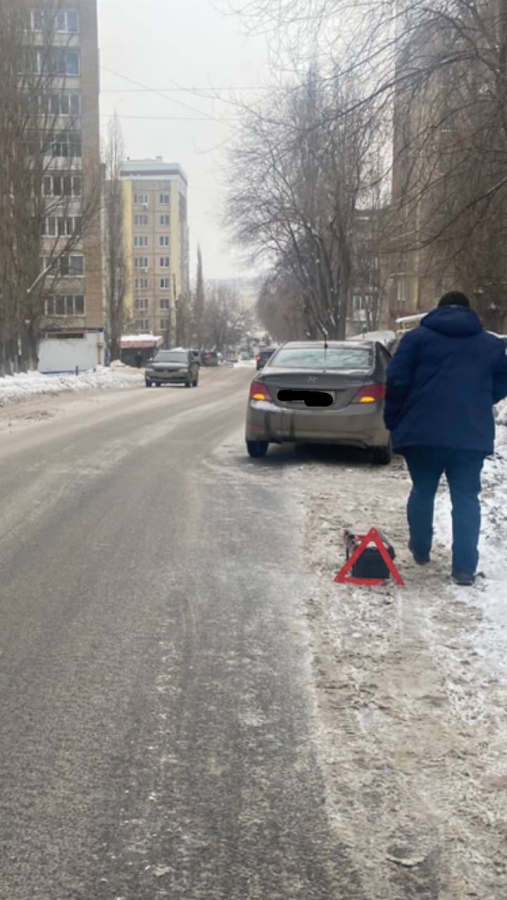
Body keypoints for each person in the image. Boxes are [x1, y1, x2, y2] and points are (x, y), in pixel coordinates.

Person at [384, 291, 507, 586]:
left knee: (423, 490)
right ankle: (464, 569)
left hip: (422, 432)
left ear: (438, 310)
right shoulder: (491, 344)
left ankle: (421, 548)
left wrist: (394, 419)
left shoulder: (416, 339)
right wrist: (481, 400)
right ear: (469, 311)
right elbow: (503, 381)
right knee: (466, 499)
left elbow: (397, 380)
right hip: (469, 434)